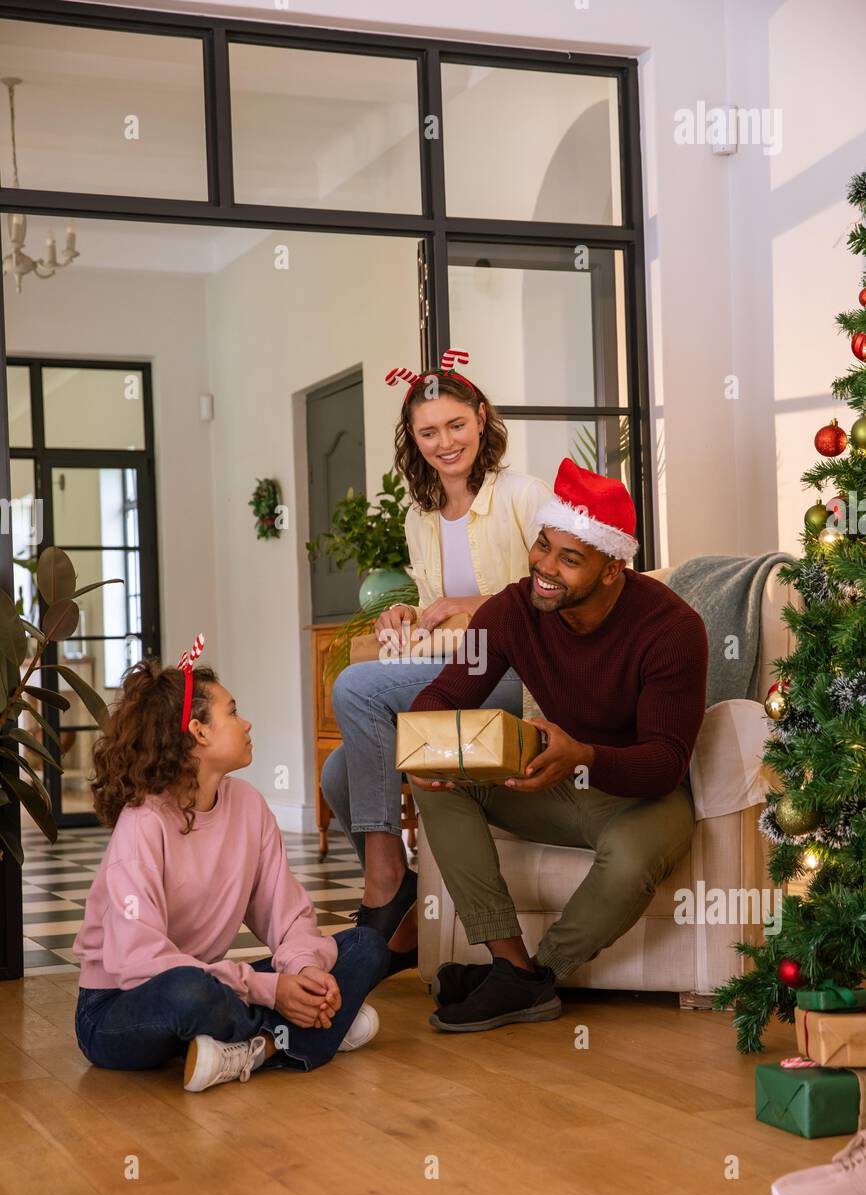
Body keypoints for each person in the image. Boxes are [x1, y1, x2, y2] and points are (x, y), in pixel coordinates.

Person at [408, 460, 709, 1033]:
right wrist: (428, 747)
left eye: (570, 559)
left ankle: (530, 980)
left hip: (639, 792)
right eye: (543, 547)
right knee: (437, 781)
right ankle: (508, 961)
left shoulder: (672, 629)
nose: (544, 568)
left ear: (612, 568)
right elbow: (445, 693)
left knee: (632, 860)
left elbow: (665, 764)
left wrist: (586, 756)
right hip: (549, 775)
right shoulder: (511, 611)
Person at [320, 353, 552, 968]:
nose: (445, 443)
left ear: (481, 420)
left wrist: (470, 602)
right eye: (429, 432)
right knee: (338, 773)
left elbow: (558, 591)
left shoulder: (525, 497)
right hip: (456, 675)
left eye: (456, 425)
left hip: (519, 682)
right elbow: (437, 616)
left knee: (355, 686)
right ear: (414, 440)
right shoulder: (419, 519)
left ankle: (385, 885)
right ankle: (411, 920)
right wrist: (405, 617)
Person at [73, 645, 389, 1093]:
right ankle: (304, 1033)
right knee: (189, 993)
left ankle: (254, 1047)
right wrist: (270, 990)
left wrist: (301, 972)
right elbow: (140, 964)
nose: (247, 723)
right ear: (198, 732)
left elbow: (288, 915)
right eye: (234, 712)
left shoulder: (248, 806)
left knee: (366, 945)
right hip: (121, 1007)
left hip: (213, 984)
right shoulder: (143, 823)